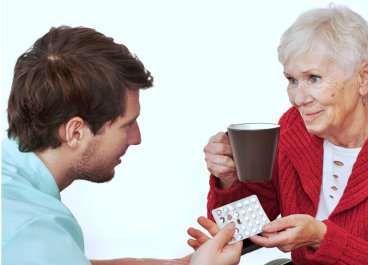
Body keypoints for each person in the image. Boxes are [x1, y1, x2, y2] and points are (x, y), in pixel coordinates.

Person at [1, 26, 242, 265]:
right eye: (127, 124)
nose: (137, 138)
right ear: (75, 132)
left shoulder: (13, 187)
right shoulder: (34, 227)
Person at [195, 4, 368, 264]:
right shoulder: (293, 127)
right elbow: (238, 233)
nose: (298, 99)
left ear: (363, 77)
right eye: (292, 80)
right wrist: (229, 180)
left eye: (314, 78)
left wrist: (321, 238)